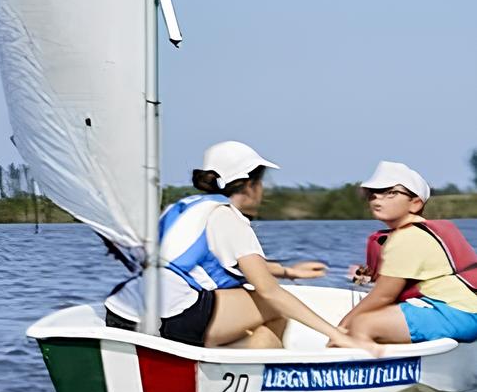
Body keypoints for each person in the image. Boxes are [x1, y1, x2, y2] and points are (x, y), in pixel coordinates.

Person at [101, 140, 377, 353]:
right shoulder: (228, 217)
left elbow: (196, 262)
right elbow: (269, 291)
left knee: (249, 308)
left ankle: (237, 358)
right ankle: (254, 375)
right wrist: (337, 335)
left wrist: (289, 272)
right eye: (261, 183)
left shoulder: (182, 207)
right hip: (172, 320)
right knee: (276, 309)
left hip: (122, 312)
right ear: (249, 186)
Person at [336, 162, 477, 345]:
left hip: (458, 313)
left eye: (391, 192)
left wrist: (341, 328)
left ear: (415, 203)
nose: (377, 197)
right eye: (373, 193)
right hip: (463, 309)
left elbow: (384, 295)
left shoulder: (408, 237)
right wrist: (362, 278)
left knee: (362, 324)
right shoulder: (418, 232)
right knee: (368, 317)